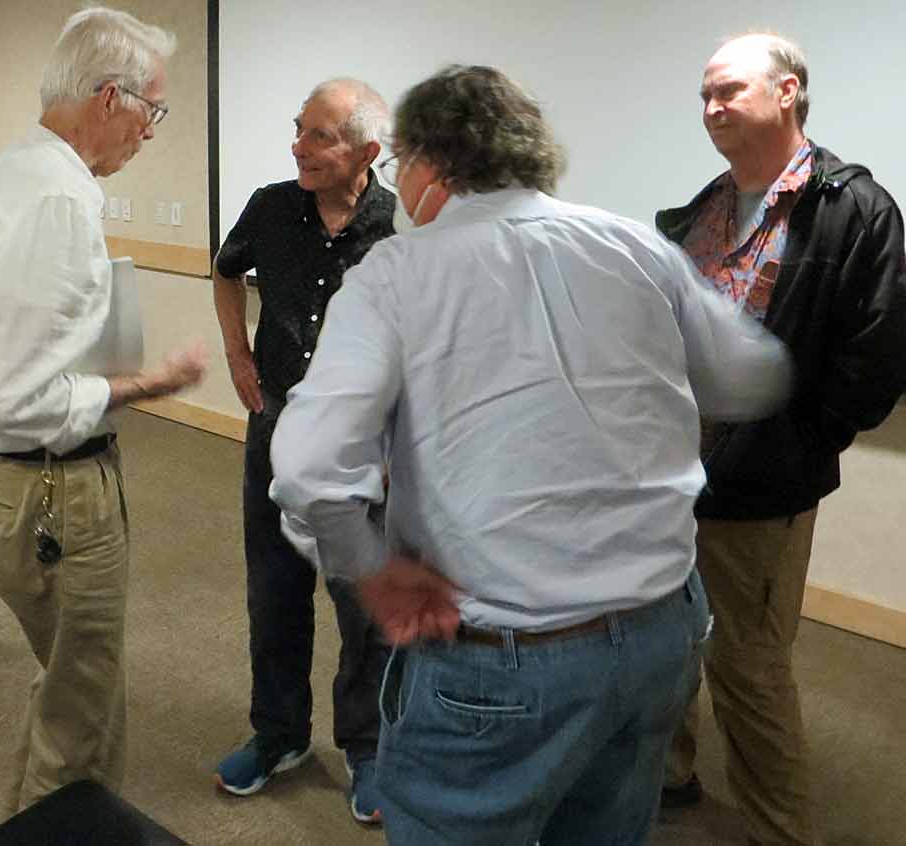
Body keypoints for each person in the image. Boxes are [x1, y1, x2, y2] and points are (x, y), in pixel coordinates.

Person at [269, 65, 795, 846]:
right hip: (660, 635)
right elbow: (751, 377)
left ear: (431, 164)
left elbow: (308, 471)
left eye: (400, 163)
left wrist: (370, 570)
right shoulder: (633, 247)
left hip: (502, 660)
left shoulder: (398, 274)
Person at [0, 7, 206, 811]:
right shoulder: (57, 198)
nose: (151, 130)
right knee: (81, 724)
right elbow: (19, 399)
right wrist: (149, 384)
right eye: (153, 108)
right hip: (51, 494)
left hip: (13, 487)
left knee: (62, 690)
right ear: (110, 97)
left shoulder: (17, 171)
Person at [657, 33, 906, 845]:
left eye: (728, 90)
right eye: (704, 95)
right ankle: (670, 775)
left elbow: (873, 362)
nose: (711, 107)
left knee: (748, 666)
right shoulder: (707, 204)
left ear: (788, 91)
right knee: (665, 639)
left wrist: (796, 444)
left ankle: (781, 830)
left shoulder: (854, 209)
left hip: (762, 486)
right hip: (669, 473)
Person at [210, 78, 394, 822]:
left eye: (320, 135)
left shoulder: (402, 228)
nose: (299, 147)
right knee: (274, 588)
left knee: (363, 605)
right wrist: (236, 353)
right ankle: (279, 734)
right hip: (277, 427)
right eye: (299, 129)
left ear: (367, 151)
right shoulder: (269, 206)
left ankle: (368, 748)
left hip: (360, 445)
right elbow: (226, 271)